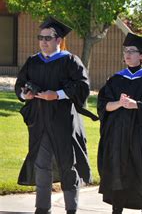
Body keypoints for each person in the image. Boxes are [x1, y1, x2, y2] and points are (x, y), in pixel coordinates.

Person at [14, 16, 96, 214]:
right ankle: (42, 208)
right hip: (40, 121)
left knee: (68, 164)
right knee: (41, 165)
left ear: (58, 40)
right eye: (40, 37)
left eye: (48, 38)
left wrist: (57, 95)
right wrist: (25, 94)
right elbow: (20, 84)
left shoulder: (70, 61)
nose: (43, 41)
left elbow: (82, 86)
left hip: (64, 122)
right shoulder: (33, 61)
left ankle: (71, 209)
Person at [97, 33, 142, 214]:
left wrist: (136, 105)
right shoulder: (115, 80)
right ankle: (117, 209)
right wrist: (119, 103)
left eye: (132, 51)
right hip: (118, 137)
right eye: (125, 51)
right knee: (118, 171)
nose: (127, 54)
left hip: (141, 138)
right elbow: (103, 106)